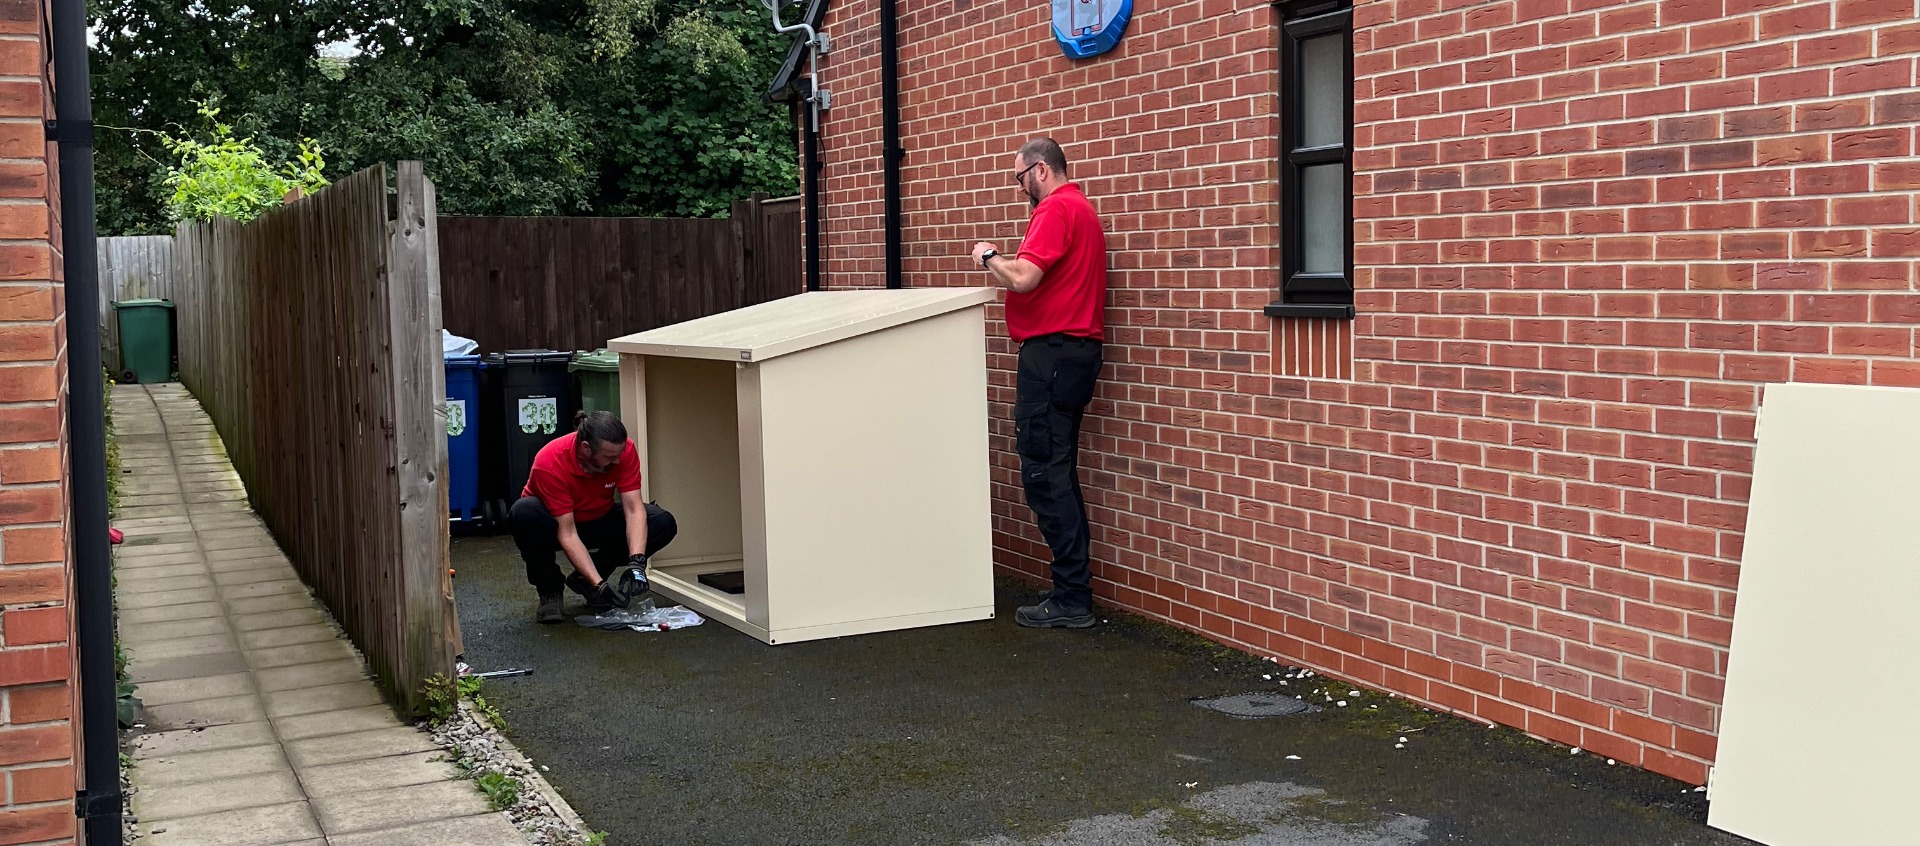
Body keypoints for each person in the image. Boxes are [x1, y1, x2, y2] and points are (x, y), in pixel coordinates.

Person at [969, 137, 1108, 629]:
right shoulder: (1084, 211)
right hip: (1072, 355)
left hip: (1051, 357)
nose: (1020, 187)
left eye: (1019, 177)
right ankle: (1072, 592)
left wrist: (989, 255)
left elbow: (1024, 277)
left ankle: (1072, 598)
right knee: (1057, 470)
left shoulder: (1056, 210)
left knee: (1044, 473)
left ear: (1041, 171)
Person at [510, 411, 678, 624]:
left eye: (619, 454)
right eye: (609, 457)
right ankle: (550, 591)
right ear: (586, 448)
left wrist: (637, 562)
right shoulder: (550, 461)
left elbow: (634, 509)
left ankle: (585, 579)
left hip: (598, 517)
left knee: (661, 522)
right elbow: (568, 532)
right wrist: (600, 585)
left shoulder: (623, 451)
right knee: (523, 513)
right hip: (555, 524)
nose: (618, 461)